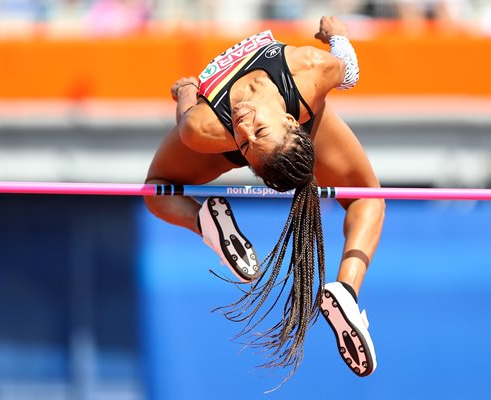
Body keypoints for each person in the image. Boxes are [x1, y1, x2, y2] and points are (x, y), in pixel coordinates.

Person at [144, 16, 385, 381]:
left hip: (278, 122)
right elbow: (348, 70)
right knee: (367, 198)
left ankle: (205, 222)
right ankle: (347, 291)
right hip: (259, 127)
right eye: (246, 140)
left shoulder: (211, 126)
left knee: (158, 190)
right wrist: (338, 35)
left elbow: (188, 118)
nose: (243, 125)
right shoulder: (307, 71)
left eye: (252, 135)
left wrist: (187, 90)